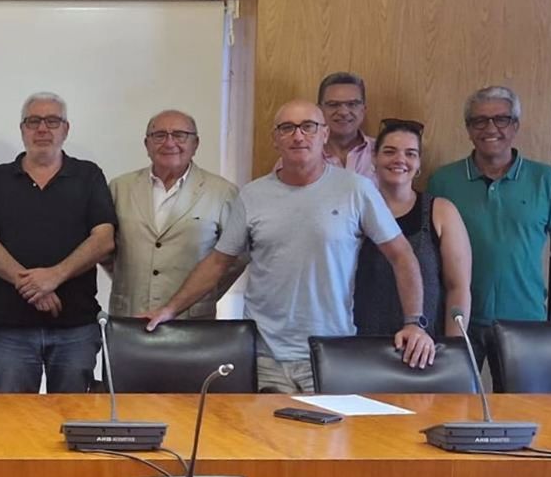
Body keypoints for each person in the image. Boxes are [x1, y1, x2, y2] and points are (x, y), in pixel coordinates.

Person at [142, 101, 436, 395]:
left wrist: (414, 322)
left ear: (324, 135)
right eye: (287, 128)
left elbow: (401, 255)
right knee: (262, 440)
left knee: (329, 440)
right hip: (262, 355)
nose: (298, 136)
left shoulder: (357, 190)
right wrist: (170, 309)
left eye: (308, 127)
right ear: (276, 139)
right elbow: (218, 262)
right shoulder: (253, 195)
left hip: (329, 354)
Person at [426, 85, 551, 364]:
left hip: (525, 321)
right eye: (479, 121)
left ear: (515, 125)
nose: (490, 128)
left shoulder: (547, 180)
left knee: (523, 406)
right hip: (459, 319)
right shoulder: (443, 181)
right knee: (456, 404)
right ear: (468, 128)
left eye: (501, 119)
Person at [0, 92, 117, 393]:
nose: (42, 129)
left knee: (72, 421)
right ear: (22, 129)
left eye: (52, 121)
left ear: (66, 129)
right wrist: (31, 285)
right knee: (11, 424)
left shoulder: (88, 175)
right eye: (34, 121)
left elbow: (104, 239)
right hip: (9, 327)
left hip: (75, 327)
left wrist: (54, 276)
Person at [106, 109, 240, 319]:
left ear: (195, 144)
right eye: (159, 135)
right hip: (131, 316)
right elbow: (105, 249)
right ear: (147, 144)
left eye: (179, 135)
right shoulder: (119, 188)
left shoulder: (222, 192)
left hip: (192, 320)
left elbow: (236, 257)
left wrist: (204, 292)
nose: (169, 143)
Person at [355, 119, 472, 337]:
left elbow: (458, 288)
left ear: (419, 164)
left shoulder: (441, 211)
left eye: (410, 154)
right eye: (389, 151)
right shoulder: (355, 210)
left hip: (424, 348)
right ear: (374, 158)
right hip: (359, 346)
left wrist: (454, 348)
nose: (400, 159)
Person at [276, 72, 375, 180]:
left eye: (352, 104)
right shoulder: (297, 156)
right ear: (319, 110)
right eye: (333, 105)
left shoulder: (385, 153)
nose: (343, 112)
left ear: (363, 110)